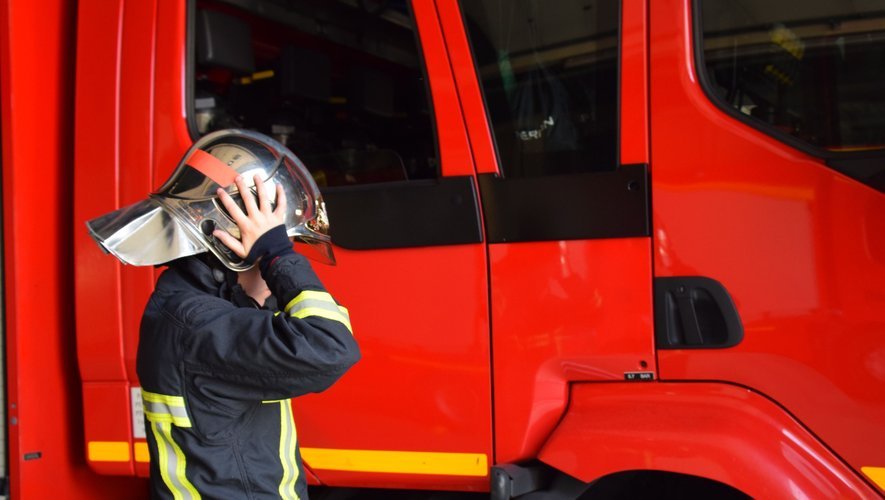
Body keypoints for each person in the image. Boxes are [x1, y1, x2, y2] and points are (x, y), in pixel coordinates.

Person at [87, 130, 360, 499]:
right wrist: (276, 256)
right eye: (273, 247)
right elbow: (331, 348)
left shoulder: (192, 308)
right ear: (233, 250)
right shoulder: (199, 325)